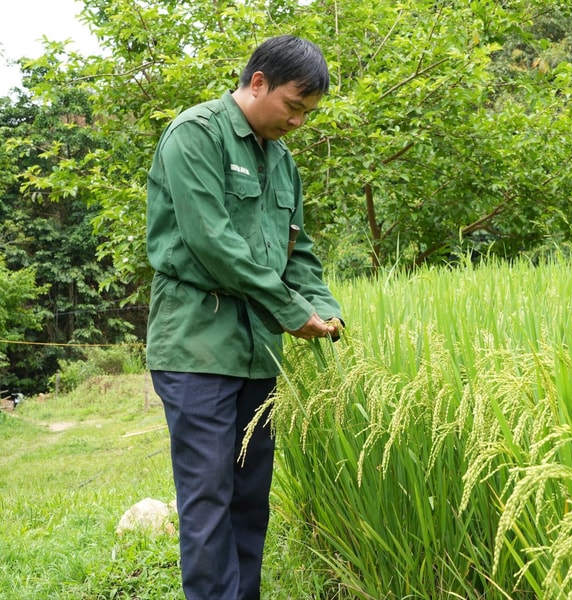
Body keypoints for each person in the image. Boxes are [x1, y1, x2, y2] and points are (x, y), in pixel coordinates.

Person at [145, 35, 343, 600]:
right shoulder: (195, 135)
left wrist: (324, 309)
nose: (299, 122)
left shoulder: (282, 162)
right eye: (294, 106)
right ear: (258, 82)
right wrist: (290, 311)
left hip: (258, 354)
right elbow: (214, 244)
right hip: (197, 348)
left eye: (309, 113)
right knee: (208, 499)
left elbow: (297, 253)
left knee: (249, 499)